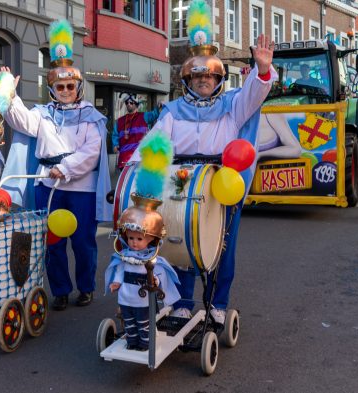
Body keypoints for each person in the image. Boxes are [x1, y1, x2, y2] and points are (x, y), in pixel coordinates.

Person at [130, 0, 276, 325]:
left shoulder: (232, 105)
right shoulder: (172, 111)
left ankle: (217, 304)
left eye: (209, 75)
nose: (203, 80)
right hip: (181, 179)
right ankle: (182, 302)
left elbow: (254, 93)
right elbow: (153, 145)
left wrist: (263, 71)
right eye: (197, 76)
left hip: (219, 181)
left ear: (218, 77)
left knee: (221, 246)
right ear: (187, 79)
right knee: (180, 240)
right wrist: (133, 169)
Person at [1, 19, 112, 311]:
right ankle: (60, 290)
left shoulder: (92, 116)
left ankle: (85, 287)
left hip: (81, 187)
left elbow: (91, 152)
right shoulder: (42, 113)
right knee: (51, 242)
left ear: (78, 87)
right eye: (59, 85)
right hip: (47, 185)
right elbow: (21, 122)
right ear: (51, 87)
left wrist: (65, 168)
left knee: (83, 243)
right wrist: (10, 96)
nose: (65, 90)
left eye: (70, 85)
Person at [105, 218, 180, 351]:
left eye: (139, 239)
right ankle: (132, 341)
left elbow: (156, 274)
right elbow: (119, 271)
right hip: (125, 296)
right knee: (129, 322)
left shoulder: (150, 259)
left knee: (143, 323)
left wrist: (155, 280)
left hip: (142, 299)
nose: (134, 242)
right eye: (131, 238)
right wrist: (116, 282)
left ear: (150, 239)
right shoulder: (124, 256)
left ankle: (145, 344)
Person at [111, 93, 160, 170]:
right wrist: (115, 145)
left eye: (131, 102)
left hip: (140, 158)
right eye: (127, 103)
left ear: (136, 104)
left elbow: (155, 114)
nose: (128, 104)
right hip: (125, 160)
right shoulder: (119, 121)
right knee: (126, 181)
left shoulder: (144, 116)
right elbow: (115, 135)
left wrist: (159, 105)